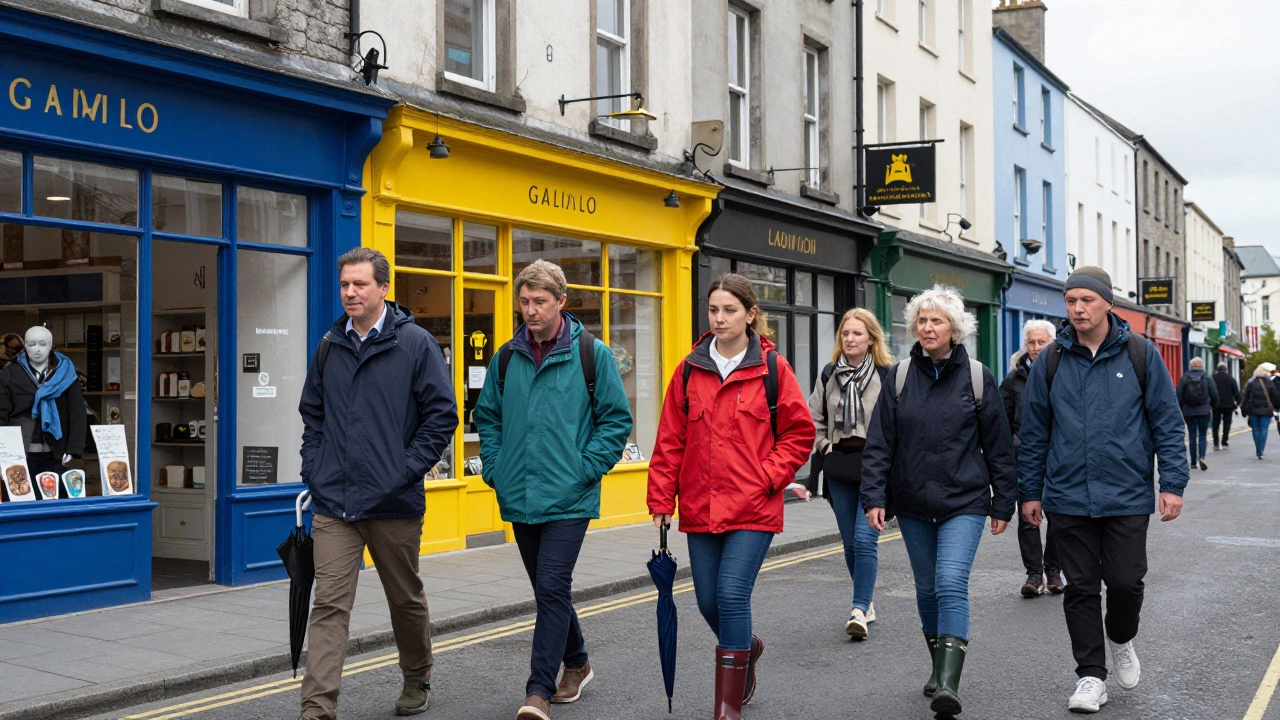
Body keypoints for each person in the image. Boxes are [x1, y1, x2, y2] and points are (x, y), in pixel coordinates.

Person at [1018, 266, 1189, 714]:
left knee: (1126, 582)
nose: (1078, 308)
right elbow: (1034, 433)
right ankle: (1091, 676)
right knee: (1080, 588)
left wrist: (1172, 484)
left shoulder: (1140, 353)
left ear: (1108, 303)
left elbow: (1167, 423)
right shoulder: (1051, 360)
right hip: (1068, 494)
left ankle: (1121, 636)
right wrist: (1030, 491)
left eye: (1087, 300)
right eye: (1071, 300)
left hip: (1127, 493)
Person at [297, 248, 458, 720]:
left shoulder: (416, 343)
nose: (350, 292)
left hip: (394, 502)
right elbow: (313, 414)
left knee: (404, 599)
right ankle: (317, 707)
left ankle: (417, 676)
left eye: (360, 284)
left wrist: (402, 471)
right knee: (328, 605)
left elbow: (441, 417)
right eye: (345, 284)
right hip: (335, 502)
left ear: (384, 289)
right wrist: (315, 467)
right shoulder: (330, 344)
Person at [648, 273, 814, 720]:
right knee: (708, 601)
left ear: (750, 314)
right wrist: (661, 499)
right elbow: (670, 440)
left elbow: (799, 434)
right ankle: (746, 647)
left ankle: (727, 707)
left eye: (729, 310)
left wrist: (767, 476)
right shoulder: (689, 370)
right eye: (713, 310)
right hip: (701, 504)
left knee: (732, 593)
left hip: (753, 504)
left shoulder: (773, 369)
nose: (719, 319)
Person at [473, 260, 632, 720]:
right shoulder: (506, 356)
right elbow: (488, 418)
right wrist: (496, 468)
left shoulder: (591, 353)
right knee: (549, 590)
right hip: (520, 492)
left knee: (551, 584)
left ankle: (538, 691)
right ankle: (577, 662)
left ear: (561, 301)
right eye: (524, 301)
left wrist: (586, 469)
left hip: (570, 495)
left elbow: (615, 420)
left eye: (540, 301)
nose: (530, 310)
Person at [861, 285, 1017, 720]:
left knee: (950, 582)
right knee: (927, 587)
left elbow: (1000, 448)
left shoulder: (978, 378)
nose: (927, 327)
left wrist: (1003, 503)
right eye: (922, 320)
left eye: (937, 321)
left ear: (955, 329)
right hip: (912, 502)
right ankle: (938, 665)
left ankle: (949, 683)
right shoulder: (899, 377)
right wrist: (874, 496)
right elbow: (880, 444)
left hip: (964, 501)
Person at [806, 308, 892, 640]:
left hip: (875, 468)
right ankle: (866, 602)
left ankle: (858, 608)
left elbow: (898, 424)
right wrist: (825, 446)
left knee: (865, 539)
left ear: (871, 339)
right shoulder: (830, 374)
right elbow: (813, 417)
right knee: (850, 544)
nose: (850, 339)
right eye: (845, 333)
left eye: (857, 333)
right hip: (840, 467)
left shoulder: (886, 375)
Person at [1000, 319, 1062, 597]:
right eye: (1031, 342)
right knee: (1027, 516)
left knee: (1059, 516)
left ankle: (1054, 571)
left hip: (1060, 458)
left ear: (1052, 343)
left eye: (1041, 342)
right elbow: (1002, 421)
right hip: (1024, 458)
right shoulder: (1013, 379)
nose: (1036, 348)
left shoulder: (1064, 373)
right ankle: (1034, 575)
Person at [1176, 357, 1218, 471]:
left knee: (1192, 436)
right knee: (1203, 435)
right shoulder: (1207, 377)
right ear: (1202, 366)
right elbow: (1214, 394)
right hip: (1204, 410)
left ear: (1190, 366)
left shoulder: (1185, 378)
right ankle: (1202, 457)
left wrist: (1179, 410)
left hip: (1188, 411)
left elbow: (1178, 395)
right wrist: (1212, 406)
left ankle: (1193, 462)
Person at [1242, 362, 1280, 459]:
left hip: (1253, 410)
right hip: (1266, 410)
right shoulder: (1269, 382)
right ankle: (1261, 451)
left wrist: (1243, 410)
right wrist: (1277, 406)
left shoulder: (1251, 383)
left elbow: (1246, 397)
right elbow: (1275, 397)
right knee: (1264, 430)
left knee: (1255, 429)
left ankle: (1258, 449)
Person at [1211, 362, 1241, 451]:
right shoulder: (1230, 378)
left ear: (1217, 369)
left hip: (1216, 405)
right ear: (1226, 370)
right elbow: (1236, 392)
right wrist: (1238, 402)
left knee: (1215, 424)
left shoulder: (1213, 378)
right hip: (1228, 404)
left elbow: (1209, 391)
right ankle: (1224, 442)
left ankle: (1216, 443)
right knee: (1227, 424)